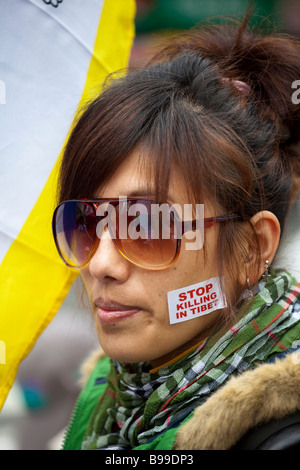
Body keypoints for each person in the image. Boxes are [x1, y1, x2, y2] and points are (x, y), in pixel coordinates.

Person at [52, 12, 300, 450]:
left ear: (252, 249)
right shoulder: (112, 396)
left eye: (146, 226)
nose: (101, 264)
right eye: (86, 223)